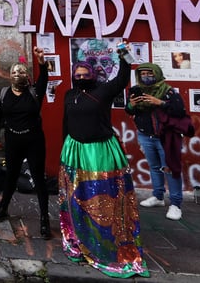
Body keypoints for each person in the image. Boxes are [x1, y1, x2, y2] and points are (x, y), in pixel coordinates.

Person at [59, 47, 149, 278]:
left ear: (93, 75)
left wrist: (125, 55)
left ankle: (105, 244)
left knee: (103, 199)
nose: (81, 78)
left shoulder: (104, 90)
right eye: (77, 75)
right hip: (73, 151)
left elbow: (122, 76)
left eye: (84, 74)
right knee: (76, 199)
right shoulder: (70, 95)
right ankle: (79, 240)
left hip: (99, 151)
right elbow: (66, 122)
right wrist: (64, 148)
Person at [0, 47, 52, 239]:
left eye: (21, 72)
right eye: (14, 72)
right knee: (10, 177)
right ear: (9, 76)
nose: (18, 75)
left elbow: (43, 80)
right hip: (13, 142)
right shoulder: (3, 94)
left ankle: (44, 220)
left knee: (39, 180)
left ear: (27, 75)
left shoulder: (34, 93)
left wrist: (41, 62)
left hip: (34, 142)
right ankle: (2, 209)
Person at [126, 63, 187, 221]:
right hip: (145, 135)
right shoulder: (136, 90)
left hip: (166, 137)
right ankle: (158, 196)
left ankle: (175, 204)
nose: (146, 76)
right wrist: (131, 105)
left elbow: (179, 110)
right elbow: (129, 110)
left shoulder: (168, 91)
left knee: (170, 169)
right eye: (143, 73)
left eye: (149, 73)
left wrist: (160, 103)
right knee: (154, 167)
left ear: (157, 74)